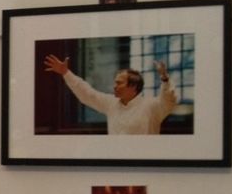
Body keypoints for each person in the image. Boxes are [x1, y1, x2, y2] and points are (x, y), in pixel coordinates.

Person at [43, 55, 176, 135]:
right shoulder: (111, 103)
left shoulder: (151, 105)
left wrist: (164, 78)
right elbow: (87, 94)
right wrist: (66, 72)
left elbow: (169, 100)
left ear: (133, 86)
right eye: (115, 82)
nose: (114, 86)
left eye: (119, 83)